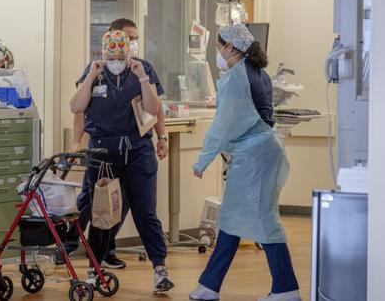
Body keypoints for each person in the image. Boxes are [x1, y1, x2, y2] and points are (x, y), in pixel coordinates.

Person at [189, 24, 301, 301]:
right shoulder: (256, 73)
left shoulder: (236, 77)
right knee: (234, 219)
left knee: (262, 221)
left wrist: (203, 159)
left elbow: (223, 125)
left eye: (218, 47)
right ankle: (209, 286)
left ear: (231, 47)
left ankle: (286, 289)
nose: (217, 53)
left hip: (255, 157)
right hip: (261, 151)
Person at [69, 30, 174, 293]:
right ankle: (94, 268)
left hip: (138, 150)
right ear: (103, 51)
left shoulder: (143, 69)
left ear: (128, 50)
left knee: (145, 212)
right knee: (102, 213)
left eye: (121, 50)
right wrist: (92, 75)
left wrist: (142, 77)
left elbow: (153, 108)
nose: (116, 56)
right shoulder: (95, 71)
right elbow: (76, 107)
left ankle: (160, 269)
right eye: (111, 51)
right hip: (103, 152)